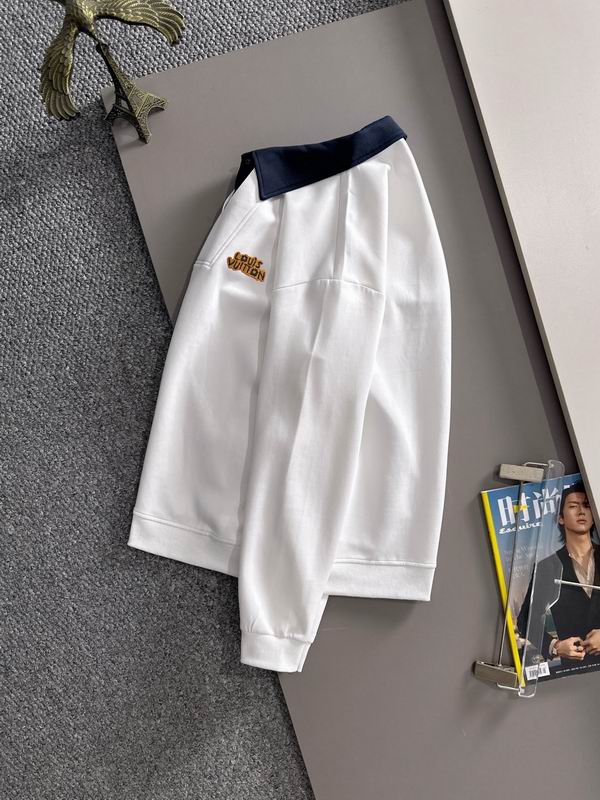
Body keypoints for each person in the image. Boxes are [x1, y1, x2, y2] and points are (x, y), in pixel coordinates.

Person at [516, 480, 600, 673]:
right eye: (573, 506)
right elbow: (526, 619)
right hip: (574, 671)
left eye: (586, 505)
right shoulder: (546, 567)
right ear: (560, 518)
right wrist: (555, 646)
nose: (581, 511)